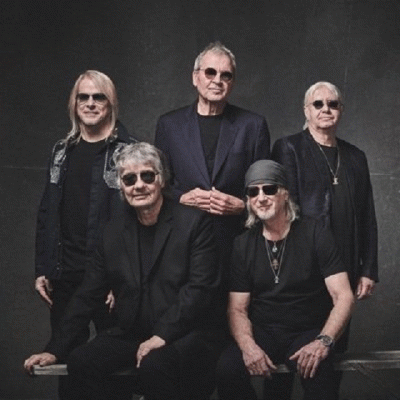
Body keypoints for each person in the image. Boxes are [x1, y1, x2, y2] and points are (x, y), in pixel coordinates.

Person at [25, 143, 223, 400]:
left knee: (155, 365)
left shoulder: (195, 223)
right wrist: (55, 349)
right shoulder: (112, 232)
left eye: (147, 176)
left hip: (185, 335)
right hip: (133, 334)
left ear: (161, 180)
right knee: (81, 361)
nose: (139, 185)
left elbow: (199, 290)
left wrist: (161, 336)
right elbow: (88, 294)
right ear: (121, 186)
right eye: (129, 179)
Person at [33, 70, 136, 397]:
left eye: (98, 97)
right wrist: (43, 267)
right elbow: (48, 211)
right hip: (65, 274)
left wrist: (124, 278)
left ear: (111, 103)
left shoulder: (129, 152)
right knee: (65, 361)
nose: (90, 103)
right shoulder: (61, 151)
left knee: (114, 369)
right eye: (84, 97)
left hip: (110, 279)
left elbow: (138, 221)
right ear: (74, 103)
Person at [216, 160, 355, 400]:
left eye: (269, 189)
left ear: (285, 194)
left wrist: (323, 341)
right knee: (227, 370)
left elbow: (343, 296)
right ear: (248, 200)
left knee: (320, 372)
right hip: (263, 332)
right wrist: (249, 347)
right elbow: (237, 309)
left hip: (306, 331)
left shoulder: (315, 233)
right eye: (253, 192)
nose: (261, 197)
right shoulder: (242, 244)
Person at [155, 41, 270, 293]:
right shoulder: (169, 125)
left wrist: (242, 205)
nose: (217, 80)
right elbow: (158, 185)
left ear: (232, 83)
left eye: (226, 75)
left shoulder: (253, 126)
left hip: (235, 246)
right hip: (182, 247)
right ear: (195, 77)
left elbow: (267, 190)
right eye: (210, 72)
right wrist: (182, 198)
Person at [271, 81, 378, 297]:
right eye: (318, 104)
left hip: (347, 262)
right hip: (304, 264)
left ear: (341, 110)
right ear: (306, 111)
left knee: (341, 317)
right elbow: (284, 212)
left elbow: (367, 217)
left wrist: (368, 270)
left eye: (333, 104)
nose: (326, 109)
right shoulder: (289, 148)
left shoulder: (356, 156)